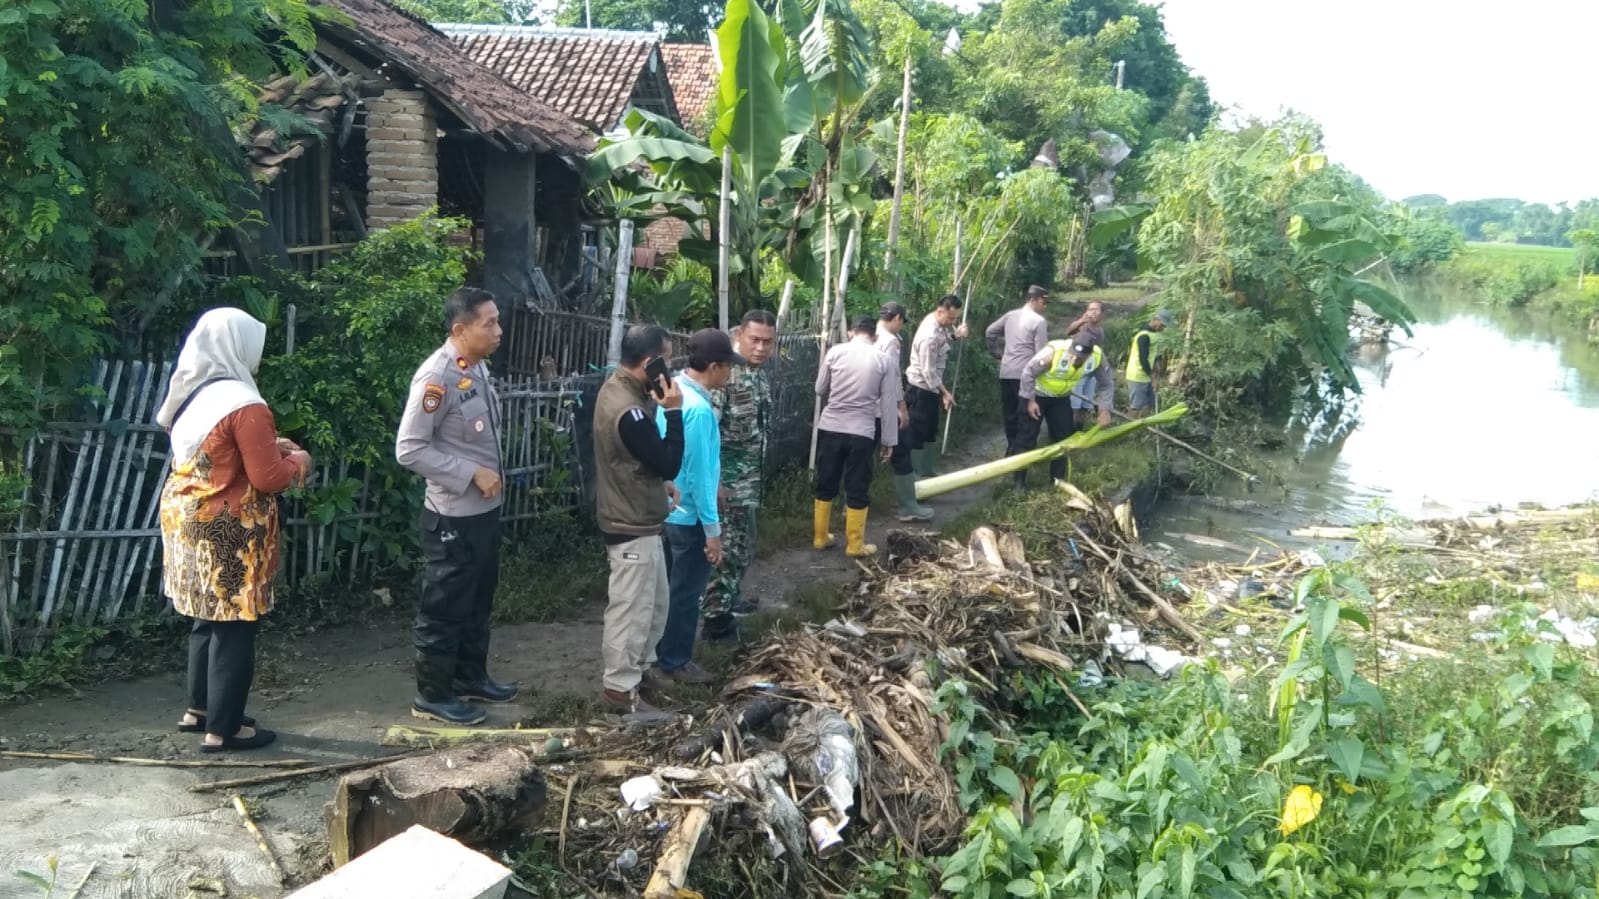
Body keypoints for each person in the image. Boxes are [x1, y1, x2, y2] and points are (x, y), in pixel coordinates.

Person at [157, 308, 312, 752]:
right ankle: (225, 729)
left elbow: (221, 453)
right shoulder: (245, 403)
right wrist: (298, 461)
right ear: (238, 345)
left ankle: (200, 709)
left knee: (207, 618)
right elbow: (269, 479)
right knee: (237, 625)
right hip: (227, 529)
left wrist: (270, 446)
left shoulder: (193, 394)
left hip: (187, 520)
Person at [396, 287, 515, 726]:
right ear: (460, 329)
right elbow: (409, 449)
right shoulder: (437, 376)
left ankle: (470, 677)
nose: (499, 330)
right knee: (445, 606)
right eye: (489, 323)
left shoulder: (473, 367)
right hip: (452, 515)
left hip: (483, 512)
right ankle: (433, 695)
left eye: (497, 321)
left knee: (477, 599)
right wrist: (470, 473)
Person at [594, 325, 685, 714]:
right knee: (631, 609)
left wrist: (657, 482)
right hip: (629, 521)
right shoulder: (628, 412)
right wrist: (674, 412)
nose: (670, 368)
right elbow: (667, 458)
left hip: (638, 511)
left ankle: (639, 674)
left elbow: (637, 460)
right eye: (666, 359)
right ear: (650, 363)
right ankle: (620, 689)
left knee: (653, 604)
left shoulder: (620, 387)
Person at [654, 330, 742, 682]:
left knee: (666, 589)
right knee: (687, 593)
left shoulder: (673, 391)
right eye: (727, 367)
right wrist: (713, 532)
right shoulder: (700, 411)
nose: (730, 374)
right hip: (689, 513)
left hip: (667, 505)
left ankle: (659, 652)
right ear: (715, 367)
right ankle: (675, 660)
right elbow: (702, 477)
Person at [701, 310, 777, 640]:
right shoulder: (725, 377)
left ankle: (730, 599)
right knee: (726, 553)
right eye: (755, 340)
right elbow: (707, 434)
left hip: (747, 482)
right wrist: (714, 482)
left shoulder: (756, 373)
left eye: (768, 342)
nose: (761, 348)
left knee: (743, 548)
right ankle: (716, 624)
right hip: (725, 486)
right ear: (740, 335)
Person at [813, 316, 899, 556]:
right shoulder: (884, 359)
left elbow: (820, 389)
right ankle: (855, 545)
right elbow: (889, 403)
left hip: (830, 426)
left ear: (851, 332)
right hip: (861, 431)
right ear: (874, 336)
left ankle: (820, 537)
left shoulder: (835, 352)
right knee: (857, 483)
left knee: (826, 479)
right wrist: (889, 441)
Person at [1016, 338, 1114, 485]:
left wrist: (1104, 409)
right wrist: (1030, 400)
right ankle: (1018, 481)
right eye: (1073, 354)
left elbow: (1106, 384)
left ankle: (1057, 480)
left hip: (1061, 398)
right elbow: (1028, 373)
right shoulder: (1054, 352)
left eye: (1080, 357)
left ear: (1089, 355)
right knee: (1027, 437)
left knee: (1062, 439)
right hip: (1037, 396)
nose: (1074, 358)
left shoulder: (1097, 357)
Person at [876, 302, 931, 521]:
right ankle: (909, 507)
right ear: (897, 318)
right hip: (886, 405)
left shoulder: (869, 335)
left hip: (864, 406)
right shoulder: (890, 341)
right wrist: (901, 407)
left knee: (860, 456)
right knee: (901, 452)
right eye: (901, 322)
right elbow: (893, 377)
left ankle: (850, 506)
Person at [903, 294, 969, 478]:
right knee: (918, 432)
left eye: (955, 318)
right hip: (920, 389)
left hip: (931, 389)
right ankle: (915, 477)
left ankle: (927, 470)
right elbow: (928, 372)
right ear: (940, 311)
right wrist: (945, 393)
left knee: (930, 430)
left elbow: (944, 340)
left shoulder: (938, 324)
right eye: (950, 318)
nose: (952, 321)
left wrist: (956, 336)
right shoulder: (929, 336)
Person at [984, 285, 1051, 458]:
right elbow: (1041, 354)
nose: (1046, 306)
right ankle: (1019, 456)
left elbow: (990, 332)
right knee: (1025, 416)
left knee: (1009, 415)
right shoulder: (1039, 321)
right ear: (1034, 300)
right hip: (1025, 376)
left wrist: (997, 353)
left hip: (1006, 372)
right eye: (1044, 301)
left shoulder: (1010, 316)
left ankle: (1011, 448)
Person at [1126, 311, 1172, 417]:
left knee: (1148, 405)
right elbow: (1143, 359)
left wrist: (1157, 370)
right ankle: (1126, 428)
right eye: (1162, 325)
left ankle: (1142, 430)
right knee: (1136, 407)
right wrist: (1153, 377)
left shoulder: (1153, 334)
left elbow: (1153, 355)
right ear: (1156, 320)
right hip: (1137, 376)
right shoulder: (1144, 336)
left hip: (1146, 375)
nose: (1163, 328)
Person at [1065, 301, 1105, 424]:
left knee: (1086, 405)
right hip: (1078, 371)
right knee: (1075, 404)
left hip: (1091, 371)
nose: (1092, 312)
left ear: (1102, 313)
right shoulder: (1082, 326)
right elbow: (1069, 332)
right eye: (1090, 309)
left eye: (1096, 309)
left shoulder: (1100, 331)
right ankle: (1069, 431)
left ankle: (1079, 429)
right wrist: (1082, 320)